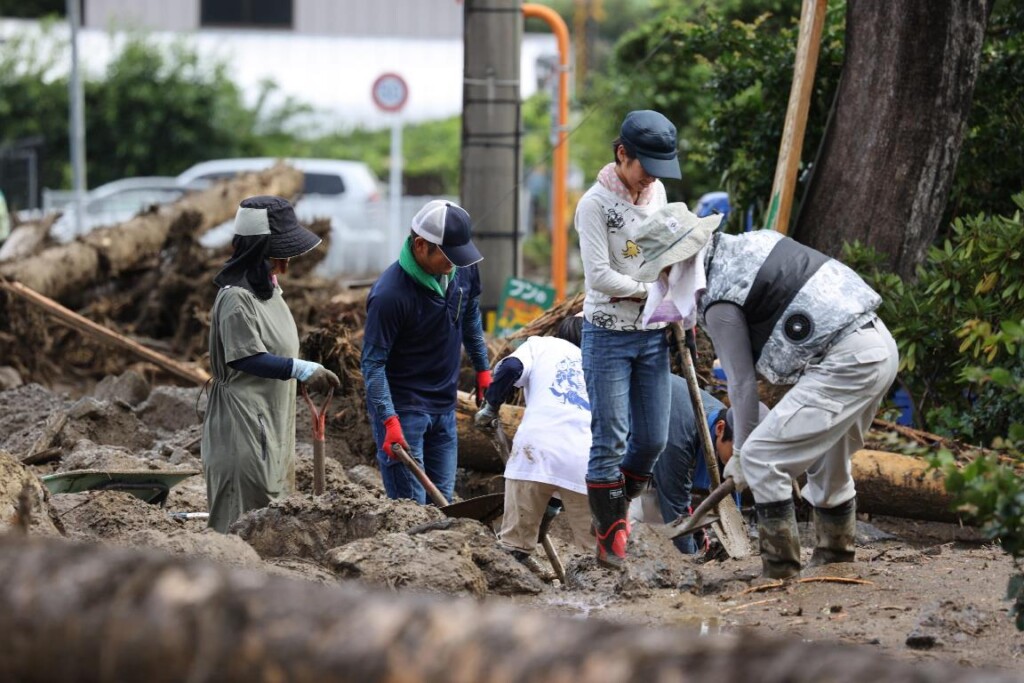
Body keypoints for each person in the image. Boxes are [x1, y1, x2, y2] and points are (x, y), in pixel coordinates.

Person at [696, 228, 899, 579]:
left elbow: (742, 384)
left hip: (847, 361)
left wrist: (743, 454)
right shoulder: (746, 247)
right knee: (829, 457)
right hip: (879, 345)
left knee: (762, 456)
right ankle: (835, 556)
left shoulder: (719, 299)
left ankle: (779, 570)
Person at [574, 109, 685, 569]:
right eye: (644, 168)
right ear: (623, 154)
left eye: (659, 172)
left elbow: (670, 251)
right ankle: (610, 536)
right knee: (611, 438)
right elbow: (599, 276)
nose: (649, 181)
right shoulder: (594, 205)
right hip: (607, 335)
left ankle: (618, 510)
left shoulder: (657, 192)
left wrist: (679, 292)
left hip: (654, 335)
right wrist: (650, 292)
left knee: (653, 440)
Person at [202, 195, 341, 533]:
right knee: (243, 523)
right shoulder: (237, 297)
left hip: (272, 421)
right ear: (257, 252)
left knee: (272, 518)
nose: (285, 264)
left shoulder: (270, 292)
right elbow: (246, 356)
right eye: (277, 255)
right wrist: (300, 369)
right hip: (244, 425)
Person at [361, 200, 490, 504]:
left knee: (443, 504)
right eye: (448, 255)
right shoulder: (390, 295)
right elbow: (372, 364)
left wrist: (483, 368)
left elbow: (470, 316)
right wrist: (388, 421)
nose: (454, 263)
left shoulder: (463, 269)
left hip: (445, 407)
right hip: (405, 413)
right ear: (421, 245)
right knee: (412, 509)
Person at [474, 315, 593, 573]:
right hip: (588, 460)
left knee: (511, 549)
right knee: (598, 560)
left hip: (535, 452)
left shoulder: (541, 345)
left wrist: (490, 408)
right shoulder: (603, 363)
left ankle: (510, 595)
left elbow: (509, 369)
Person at [652, 379, 768, 554]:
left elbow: (728, 486)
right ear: (720, 430)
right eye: (739, 454)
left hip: (671, 415)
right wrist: (690, 560)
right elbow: (674, 503)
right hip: (637, 416)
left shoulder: (724, 418)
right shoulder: (678, 439)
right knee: (649, 512)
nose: (743, 464)